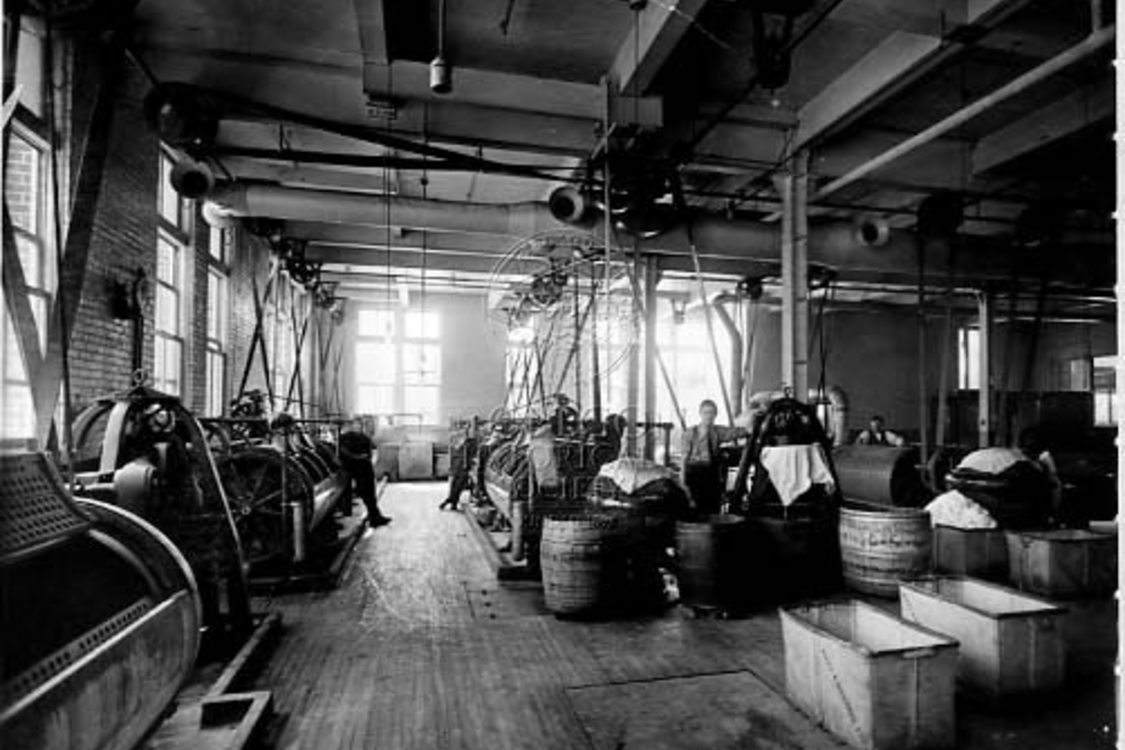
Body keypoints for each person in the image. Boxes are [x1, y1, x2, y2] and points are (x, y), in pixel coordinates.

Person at [679, 399, 746, 516]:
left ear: (715, 415)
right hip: (694, 475)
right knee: (694, 509)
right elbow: (683, 459)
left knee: (712, 509)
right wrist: (682, 482)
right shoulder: (689, 433)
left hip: (711, 476)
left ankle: (711, 532)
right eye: (705, 413)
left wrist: (756, 423)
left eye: (711, 413)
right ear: (700, 413)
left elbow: (738, 432)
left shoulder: (718, 432)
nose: (708, 416)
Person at [339, 419, 391, 527]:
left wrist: (363, 458)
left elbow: (369, 453)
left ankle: (375, 516)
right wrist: (359, 457)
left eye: (360, 425)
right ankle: (374, 516)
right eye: (356, 425)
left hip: (363, 468)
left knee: (369, 493)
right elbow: (343, 453)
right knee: (365, 493)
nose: (358, 427)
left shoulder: (364, 438)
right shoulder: (344, 439)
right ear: (351, 426)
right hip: (353, 468)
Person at [440, 418, 480, 511]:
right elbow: (454, 453)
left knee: (458, 486)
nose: (466, 431)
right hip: (458, 467)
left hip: (463, 467)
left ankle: (451, 501)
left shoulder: (471, 442)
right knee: (455, 485)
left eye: (468, 429)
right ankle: (451, 501)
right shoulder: (458, 441)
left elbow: (473, 456)